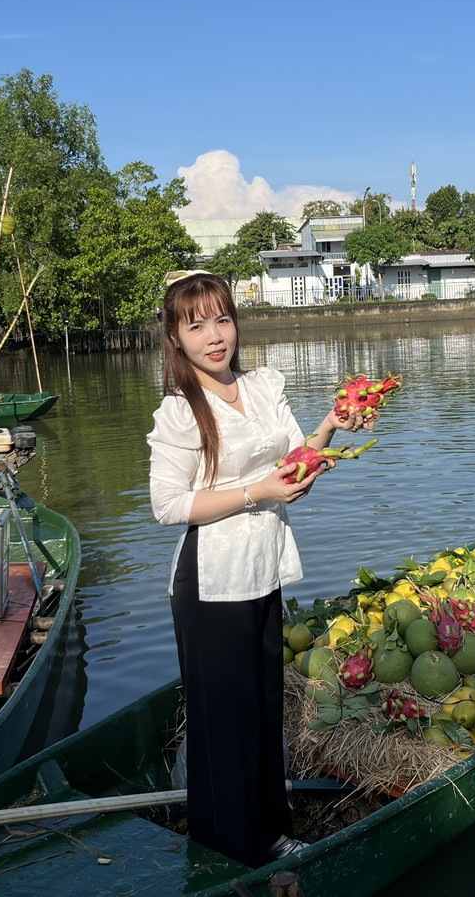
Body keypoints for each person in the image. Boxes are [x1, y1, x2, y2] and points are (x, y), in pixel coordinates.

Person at [146, 270, 374, 867]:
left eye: (222, 319)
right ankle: (225, 850)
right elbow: (168, 507)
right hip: (210, 579)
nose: (214, 336)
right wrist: (256, 490)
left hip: (262, 566)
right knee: (222, 722)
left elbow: (297, 463)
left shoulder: (262, 385)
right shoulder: (179, 411)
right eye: (195, 325)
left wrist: (333, 424)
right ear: (175, 336)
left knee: (262, 707)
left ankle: (270, 834)